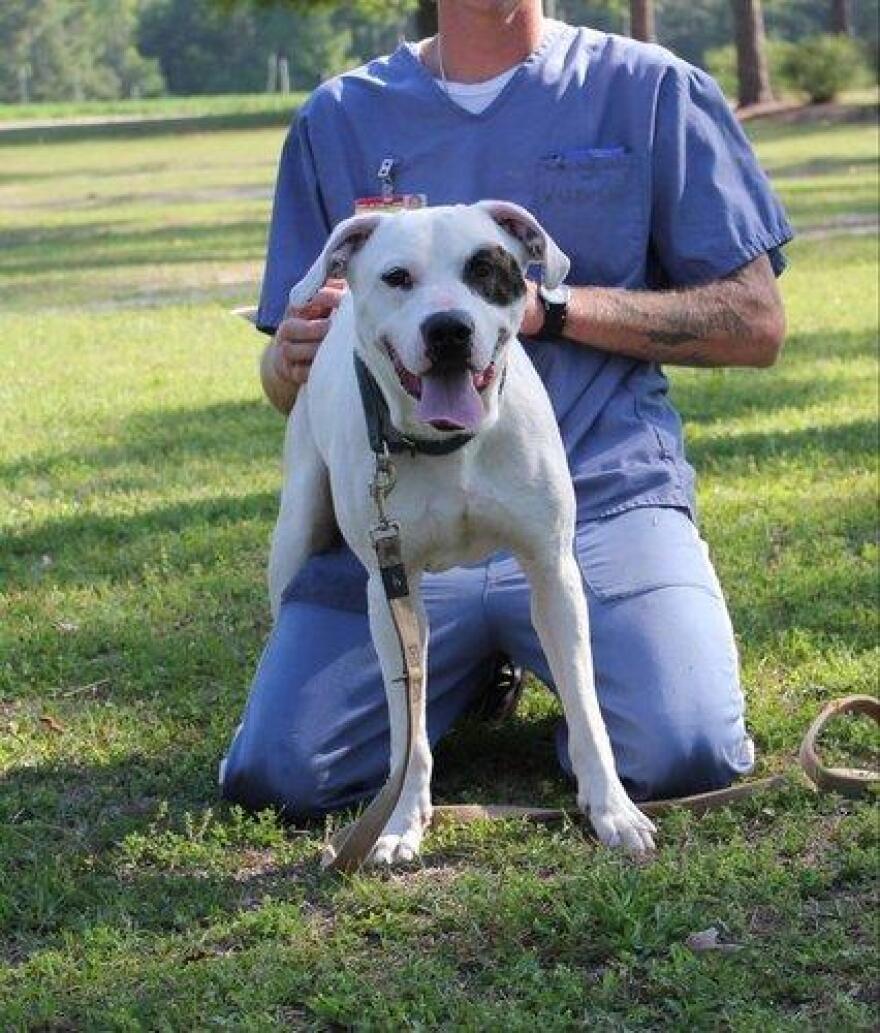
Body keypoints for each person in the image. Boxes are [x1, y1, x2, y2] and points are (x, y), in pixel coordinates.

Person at [219, 0, 792, 818]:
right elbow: (288, 381)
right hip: (399, 515)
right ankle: (473, 674)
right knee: (281, 774)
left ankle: (571, 694)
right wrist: (285, 360)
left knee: (684, 749)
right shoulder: (338, 117)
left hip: (599, 502)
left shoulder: (656, 90)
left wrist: (549, 310)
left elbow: (756, 323)